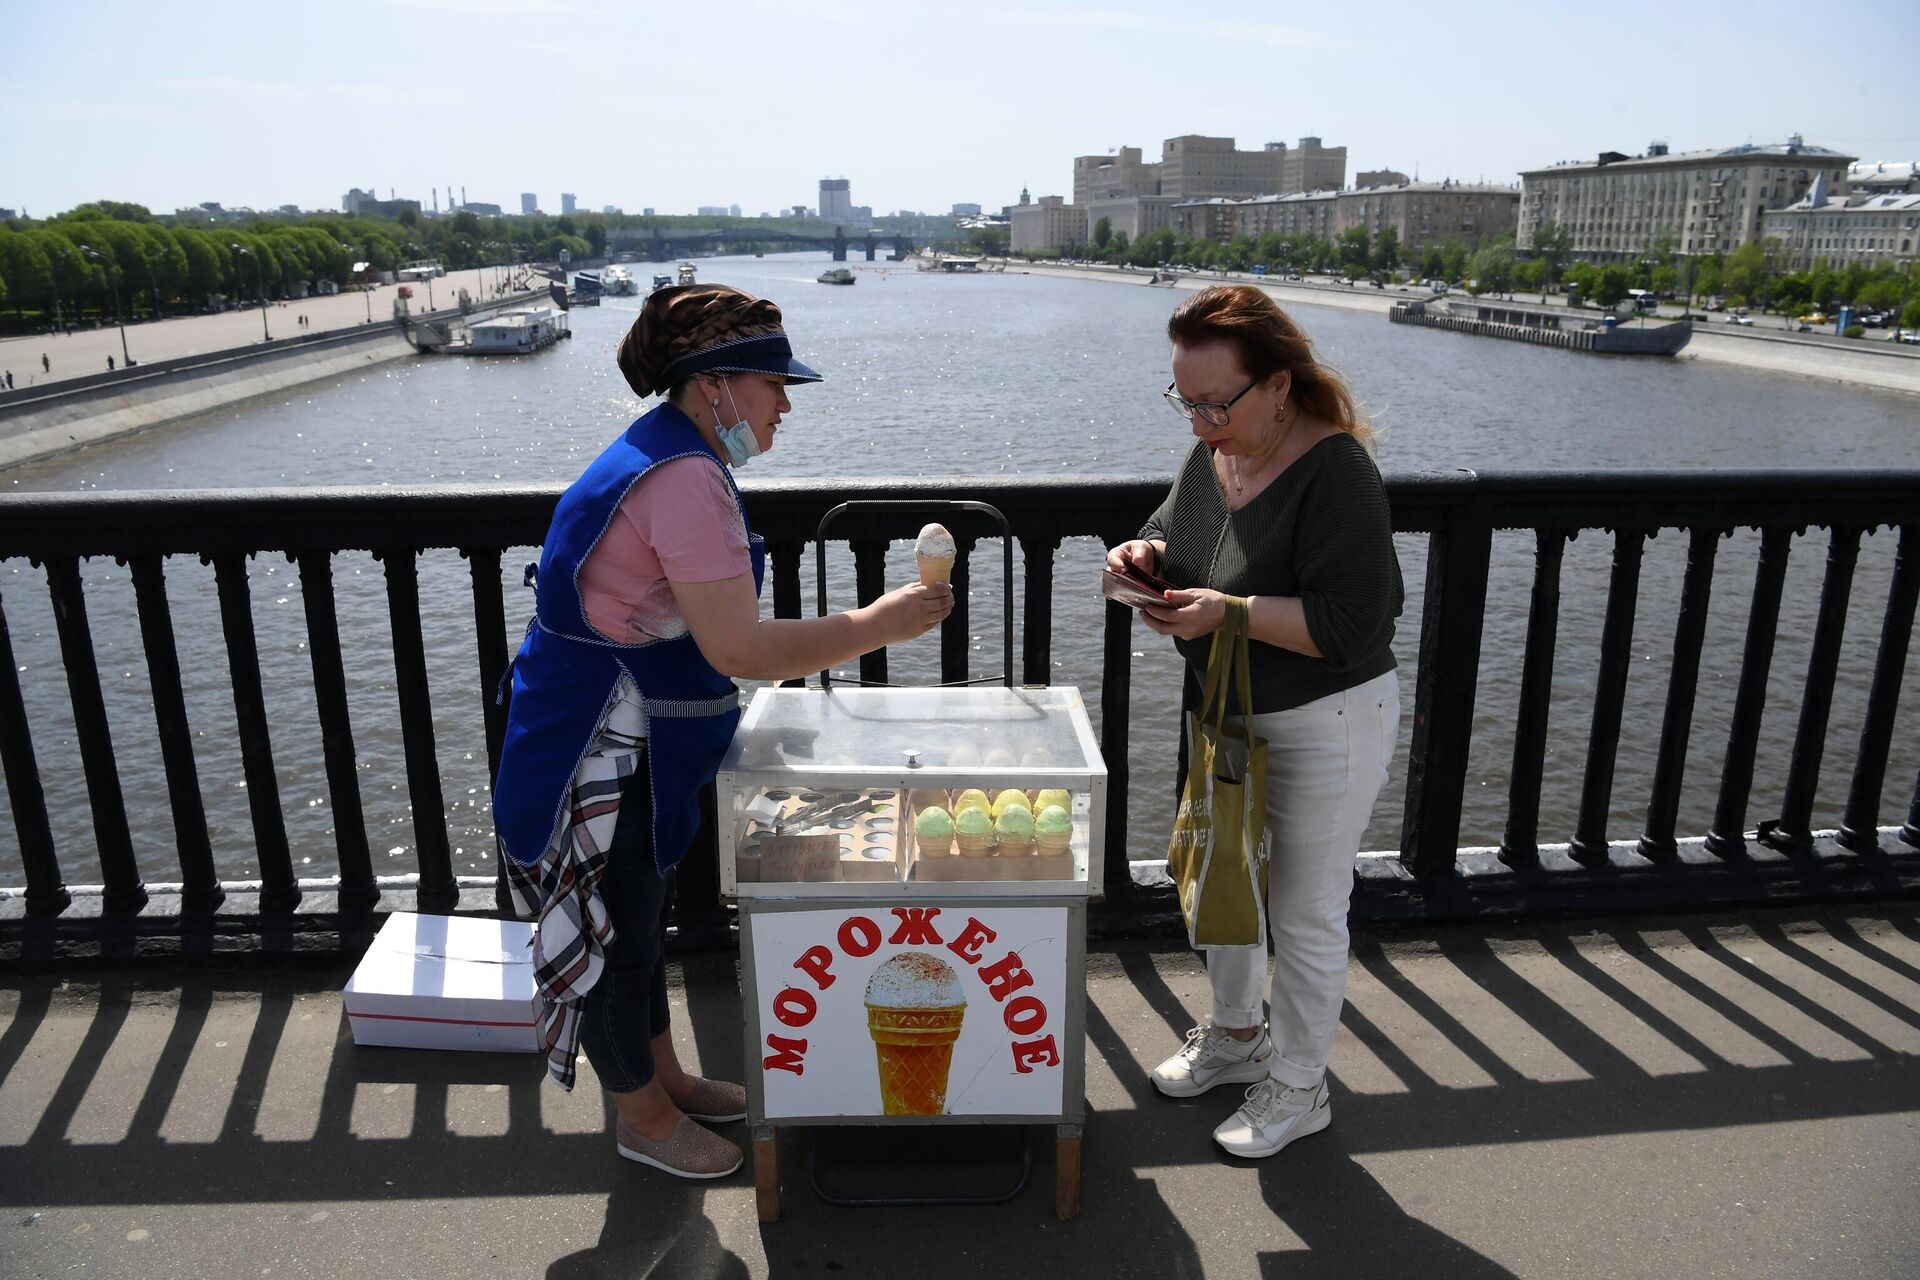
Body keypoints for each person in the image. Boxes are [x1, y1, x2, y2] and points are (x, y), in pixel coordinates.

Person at [492, 283, 953, 1180]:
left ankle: (664, 1079)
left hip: (599, 726)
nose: (785, 402)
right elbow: (739, 646)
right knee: (616, 932)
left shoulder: (667, 454)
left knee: (639, 915)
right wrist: (880, 622)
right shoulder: (686, 479)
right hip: (596, 749)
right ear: (714, 387)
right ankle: (641, 1116)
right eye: (773, 383)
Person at [1107, 284, 1402, 1160]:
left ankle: (1301, 1087)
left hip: (1327, 717)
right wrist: (1145, 554)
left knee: (1306, 912)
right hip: (1229, 711)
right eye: (1185, 401)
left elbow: (1352, 626)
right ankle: (1238, 1038)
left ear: (1277, 384)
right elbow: (1176, 527)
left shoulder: (1338, 472)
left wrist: (1224, 613)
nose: (1200, 422)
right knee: (1218, 881)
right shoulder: (1216, 454)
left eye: (1215, 402)